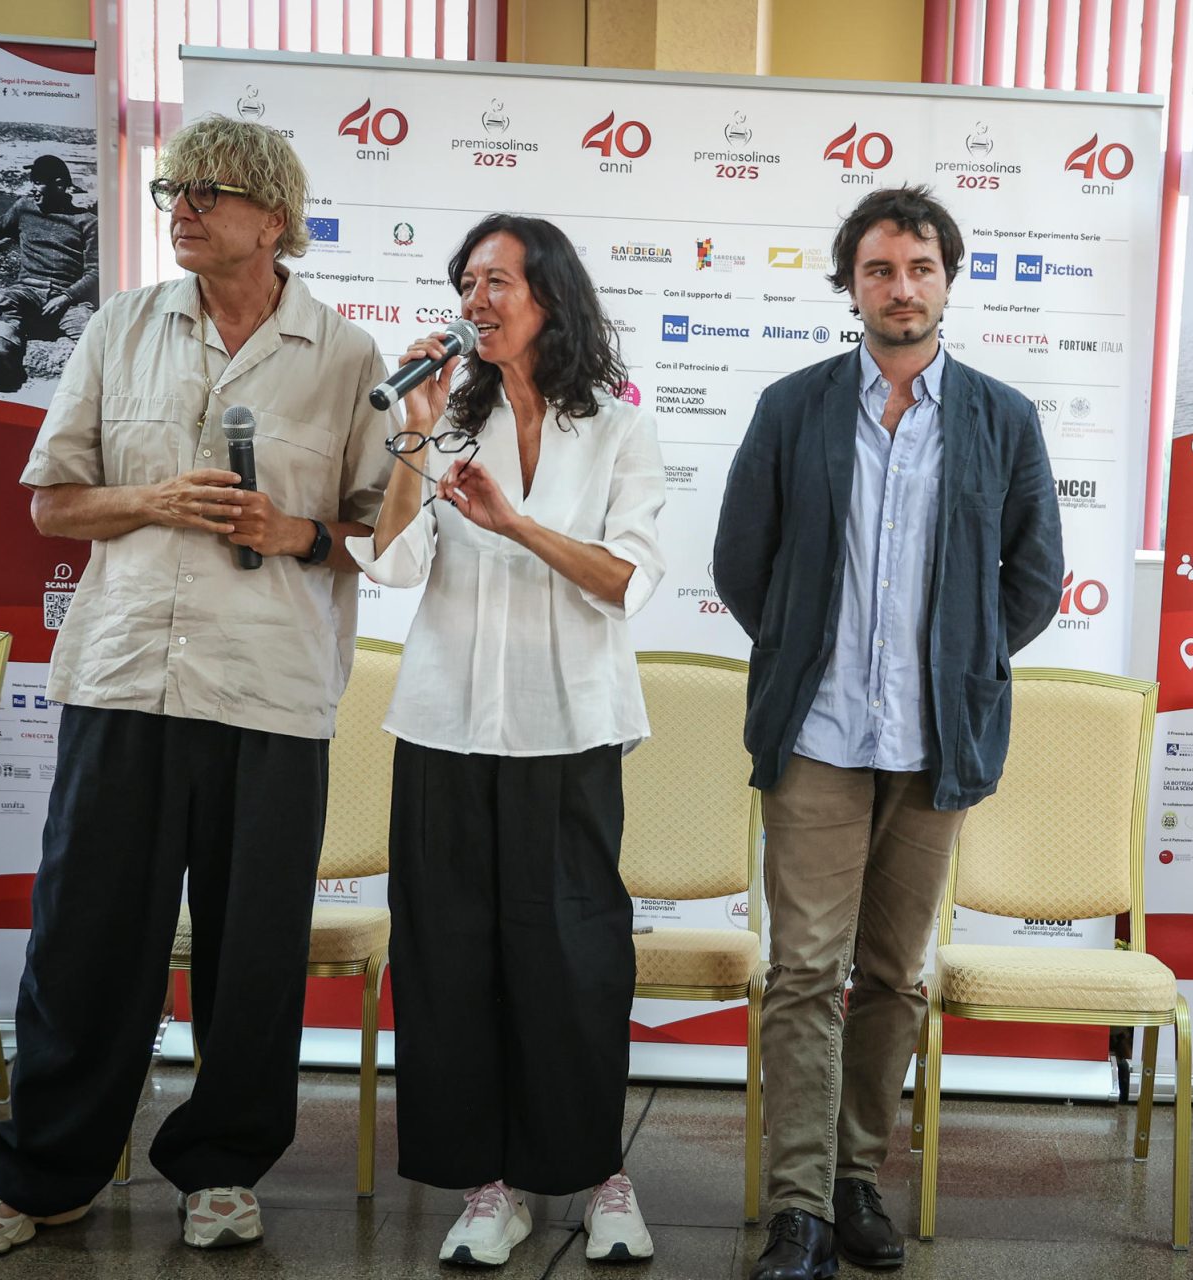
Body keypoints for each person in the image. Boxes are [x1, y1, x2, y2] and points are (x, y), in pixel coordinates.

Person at [0, 115, 393, 1256]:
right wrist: (153, 500)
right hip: (123, 677)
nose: (179, 208)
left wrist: (294, 531)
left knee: (253, 951)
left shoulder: (347, 358)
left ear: (273, 217)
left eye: (205, 191)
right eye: (170, 190)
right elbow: (53, 503)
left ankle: (221, 1167)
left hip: (270, 690)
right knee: (84, 940)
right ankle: (44, 1173)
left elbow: (383, 539)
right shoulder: (120, 326)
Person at [714, 185, 1065, 1280]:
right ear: (852, 285)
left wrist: (961, 664)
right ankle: (797, 1206)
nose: (901, 287)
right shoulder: (794, 407)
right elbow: (742, 561)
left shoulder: (1003, 418)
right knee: (804, 971)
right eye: (879, 269)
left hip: (933, 744)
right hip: (818, 735)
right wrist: (804, 653)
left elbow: (1034, 577)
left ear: (947, 280)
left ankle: (855, 1179)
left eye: (919, 267)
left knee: (891, 975)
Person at [349, 213, 664, 1268]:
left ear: (549, 299)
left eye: (498, 282)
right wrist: (411, 438)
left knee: (574, 957)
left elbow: (626, 579)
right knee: (448, 955)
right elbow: (391, 565)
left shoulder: (615, 428)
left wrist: (515, 524)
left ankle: (599, 1171)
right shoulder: (445, 419)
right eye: (467, 282)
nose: (475, 301)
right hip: (445, 726)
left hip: (568, 728)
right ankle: (489, 1183)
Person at [0, 154, 99, 391]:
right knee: (9, 304)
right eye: (32, 181)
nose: (32, 188)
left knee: (92, 337)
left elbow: (95, 272)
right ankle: (1, 356)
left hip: (68, 300)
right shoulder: (24, 208)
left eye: (38, 182)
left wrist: (66, 297)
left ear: (59, 185)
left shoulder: (87, 222)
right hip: (28, 291)